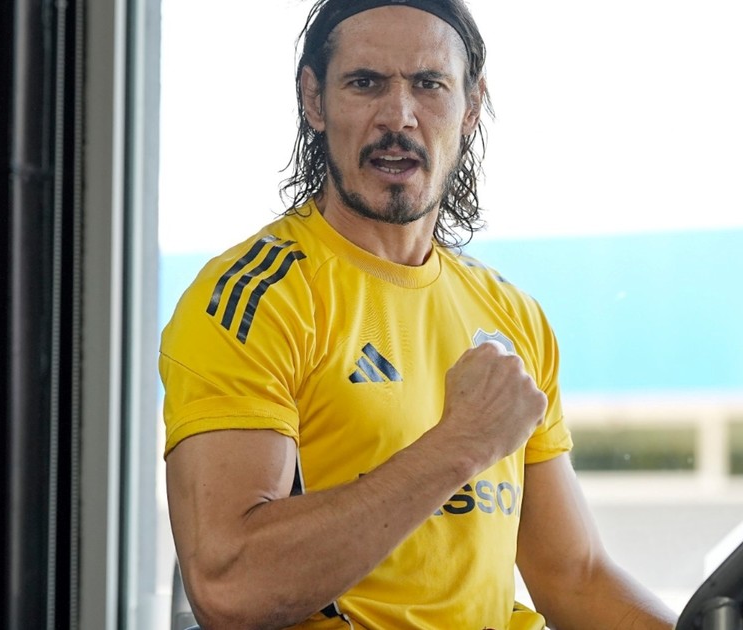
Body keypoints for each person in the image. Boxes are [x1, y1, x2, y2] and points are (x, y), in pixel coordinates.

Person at [160, 1, 678, 628]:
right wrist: (461, 444)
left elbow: (576, 577)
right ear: (314, 101)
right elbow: (230, 586)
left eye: (429, 84)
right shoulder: (257, 298)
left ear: (471, 107)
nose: (398, 116)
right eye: (365, 83)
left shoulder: (511, 314)